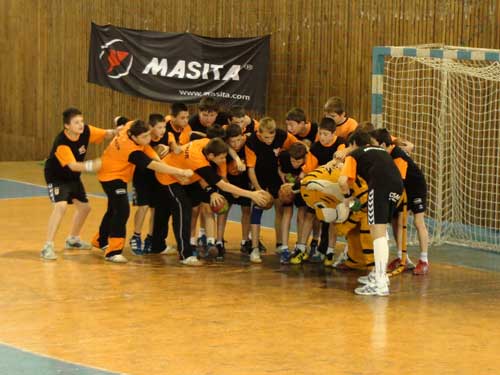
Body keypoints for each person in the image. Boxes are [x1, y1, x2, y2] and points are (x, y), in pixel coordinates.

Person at [153, 137, 270, 265]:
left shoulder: (206, 142)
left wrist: (235, 158)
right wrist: (251, 194)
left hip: (181, 175)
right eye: (221, 158)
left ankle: (157, 245)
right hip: (167, 177)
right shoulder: (199, 161)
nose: (224, 160)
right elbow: (223, 185)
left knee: (163, 210)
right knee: (183, 210)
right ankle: (185, 255)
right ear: (211, 155)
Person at [92, 120, 193, 263]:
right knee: (122, 210)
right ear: (134, 137)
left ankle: (100, 239)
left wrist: (159, 159)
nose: (148, 139)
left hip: (115, 172)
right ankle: (113, 251)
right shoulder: (131, 151)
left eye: (149, 134)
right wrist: (180, 171)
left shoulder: (131, 126)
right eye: (144, 137)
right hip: (111, 177)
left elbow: (147, 149)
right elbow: (155, 166)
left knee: (113, 208)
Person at [41, 107, 115, 260]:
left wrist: (118, 131)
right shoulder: (62, 142)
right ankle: (47, 246)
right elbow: (73, 165)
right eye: (76, 122)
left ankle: (73, 239)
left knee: (84, 208)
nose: (81, 125)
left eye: (81, 121)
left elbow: (106, 133)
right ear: (67, 126)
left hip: (73, 177)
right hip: (57, 177)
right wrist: (92, 165)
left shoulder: (86, 131)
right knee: (60, 206)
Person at [338, 130, 404, 296]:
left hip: (380, 186)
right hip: (397, 186)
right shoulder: (379, 151)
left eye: (348, 146)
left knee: (377, 231)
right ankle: (379, 275)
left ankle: (380, 283)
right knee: (382, 231)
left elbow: (342, 181)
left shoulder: (354, 155)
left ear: (353, 145)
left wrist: (347, 199)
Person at [371, 128, 429, 275]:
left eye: (374, 144)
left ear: (383, 144)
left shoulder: (397, 156)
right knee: (396, 221)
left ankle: (424, 260)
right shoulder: (386, 150)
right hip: (402, 188)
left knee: (418, 221)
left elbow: (399, 180)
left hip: (415, 187)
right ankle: (402, 257)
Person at [245, 117, 298, 263]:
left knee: (280, 208)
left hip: (276, 176)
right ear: (259, 133)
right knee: (257, 209)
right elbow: (251, 169)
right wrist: (258, 190)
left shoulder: (282, 135)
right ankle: (254, 248)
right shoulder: (251, 142)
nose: (270, 140)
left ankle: (280, 244)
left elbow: (299, 146)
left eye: (272, 137)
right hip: (259, 176)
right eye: (266, 137)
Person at [128, 114, 169, 255]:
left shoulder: (166, 138)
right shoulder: (143, 137)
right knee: (143, 206)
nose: (163, 130)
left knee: (155, 208)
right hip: (141, 176)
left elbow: (173, 146)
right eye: (159, 127)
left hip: (157, 176)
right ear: (151, 127)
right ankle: (136, 236)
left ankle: (150, 238)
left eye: (164, 127)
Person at [216, 124, 253, 257]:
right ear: (227, 141)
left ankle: (245, 241)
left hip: (244, 183)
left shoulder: (248, 145)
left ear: (242, 137)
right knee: (223, 210)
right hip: (227, 183)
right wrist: (231, 190)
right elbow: (222, 175)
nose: (236, 144)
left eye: (238, 140)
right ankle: (219, 241)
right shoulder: (224, 151)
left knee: (247, 210)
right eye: (233, 141)